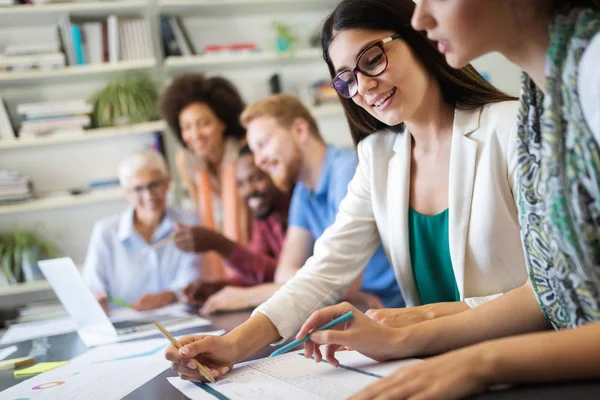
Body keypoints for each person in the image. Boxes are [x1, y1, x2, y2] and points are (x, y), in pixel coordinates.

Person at [163, 4, 530, 373]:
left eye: (372, 59)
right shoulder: (378, 157)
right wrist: (234, 344)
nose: (364, 86)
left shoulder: (512, 127)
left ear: (420, 38)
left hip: (519, 360)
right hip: (432, 367)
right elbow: (325, 270)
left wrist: (421, 319)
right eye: (346, 79)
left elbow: (555, 289)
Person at [288, 1, 600, 400]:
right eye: (348, 77)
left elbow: (550, 301)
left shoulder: (565, 85)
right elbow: (552, 293)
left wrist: (457, 352)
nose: (421, 18)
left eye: (372, 59)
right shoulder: (544, 99)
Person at [242, 94, 403, 310]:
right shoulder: (303, 190)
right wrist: (337, 289)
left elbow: (341, 284)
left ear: (299, 130)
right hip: (355, 309)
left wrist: (245, 296)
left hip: (395, 310)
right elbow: (284, 272)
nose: (259, 160)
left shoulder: (348, 168)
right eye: (254, 151)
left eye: (263, 144)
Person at [174, 145, 291, 315]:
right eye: (241, 184)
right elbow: (260, 276)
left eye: (256, 178)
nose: (249, 190)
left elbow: (285, 277)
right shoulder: (264, 216)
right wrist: (217, 287)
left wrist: (220, 244)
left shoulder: (299, 210)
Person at [83, 150, 200, 313]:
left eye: (154, 185)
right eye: (138, 189)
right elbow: (93, 287)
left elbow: (195, 278)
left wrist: (168, 296)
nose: (149, 195)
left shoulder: (189, 222)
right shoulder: (105, 232)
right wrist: (96, 300)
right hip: (124, 325)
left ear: (167, 183)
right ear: (126, 192)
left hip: (181, 320)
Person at [160, 74, 250, 283]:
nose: (196, 135)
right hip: (216, 260)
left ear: (222, 123)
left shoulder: (245, 155)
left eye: (204, 123)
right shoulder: (186, 160)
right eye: (187, 127)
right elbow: (203, 214)